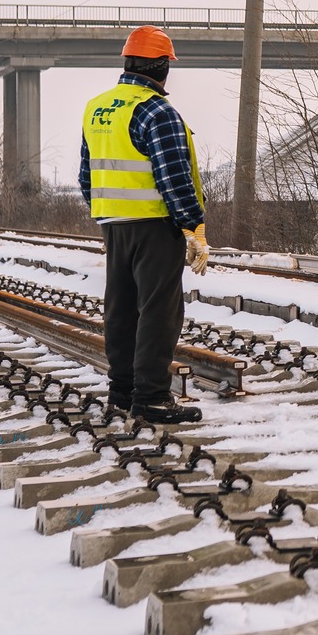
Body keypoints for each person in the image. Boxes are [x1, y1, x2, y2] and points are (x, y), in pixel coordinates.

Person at [79, 26, 210, 426]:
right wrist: (193, 227)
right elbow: (173, 177)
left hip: (114, 225)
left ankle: (121, 392)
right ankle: (151, 398)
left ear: (128, 62)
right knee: (158, 312)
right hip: (154, 226)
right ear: (162, 66)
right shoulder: (157, 111)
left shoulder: (97, 108)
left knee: (120, 310)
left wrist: (109, 213)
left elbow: (86, 177)